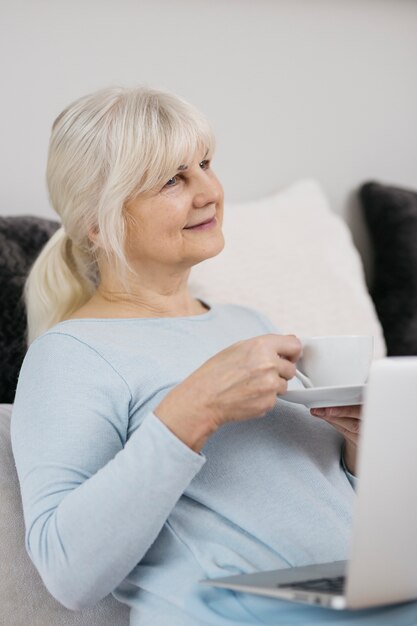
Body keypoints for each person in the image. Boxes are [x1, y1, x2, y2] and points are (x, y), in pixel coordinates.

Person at [10, 86, 417, 626]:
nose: (210, 191)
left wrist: (367, 449)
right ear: (97, 221)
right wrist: (192, 411)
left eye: (205, 164)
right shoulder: (69, 355)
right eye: (172, 179)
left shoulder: (247, 324)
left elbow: (321, 499)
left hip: (362, 601)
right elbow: (67, 575)